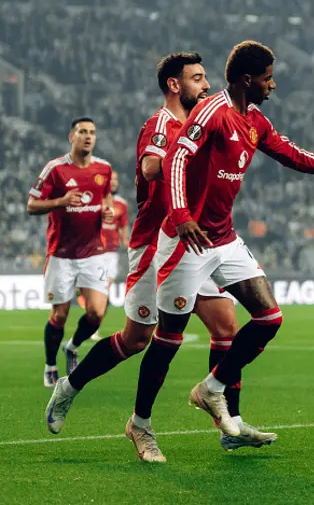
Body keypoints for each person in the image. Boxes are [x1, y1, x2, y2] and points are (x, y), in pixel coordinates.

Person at [129, 40, 314, 458]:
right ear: (247, 79)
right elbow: (175, 161)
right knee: (167, 338)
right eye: (267, 77)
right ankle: (141, 424)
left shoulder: (254, 119)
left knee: (269, 316)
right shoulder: (211, 112)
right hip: (186, 240)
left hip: (223, 238)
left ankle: (212, 388)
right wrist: (183, 214)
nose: (272, 85)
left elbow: (292, 155)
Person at [44, 53, 275, 461]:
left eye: (206, 79)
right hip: (156, 244)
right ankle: (84, 394)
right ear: (174, 85)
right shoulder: (162, 125)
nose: (206, 86)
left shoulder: (211, 117)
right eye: (197, 79)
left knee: (226, 328)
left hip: (199, 242)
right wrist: (190, 143)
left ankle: (231, 425)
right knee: (137, 340)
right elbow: (152, 168)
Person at [27, 117, 114, 386]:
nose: (88, 136)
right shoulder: (56, 169)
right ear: (71, 137)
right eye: (82, 132)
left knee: (96, 314)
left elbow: (105, 196)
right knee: (59, 315)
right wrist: (61, 201)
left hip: (93, 252)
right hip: (61, 254)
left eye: (92, 132)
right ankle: (50, 364)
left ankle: (73, 346)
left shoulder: (104, 168)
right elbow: (32, 205)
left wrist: (108, 210)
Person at [82, 171, 129, 341]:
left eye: (116, 180)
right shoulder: (95, 201)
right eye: (112, 180)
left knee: (104, 288)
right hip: (96, 251)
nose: (114, 182)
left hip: (112, 253)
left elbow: (123, 229)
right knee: (101, 289)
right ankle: (92, 323)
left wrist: (129, 245)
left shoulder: (122, 205)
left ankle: (93, 321)